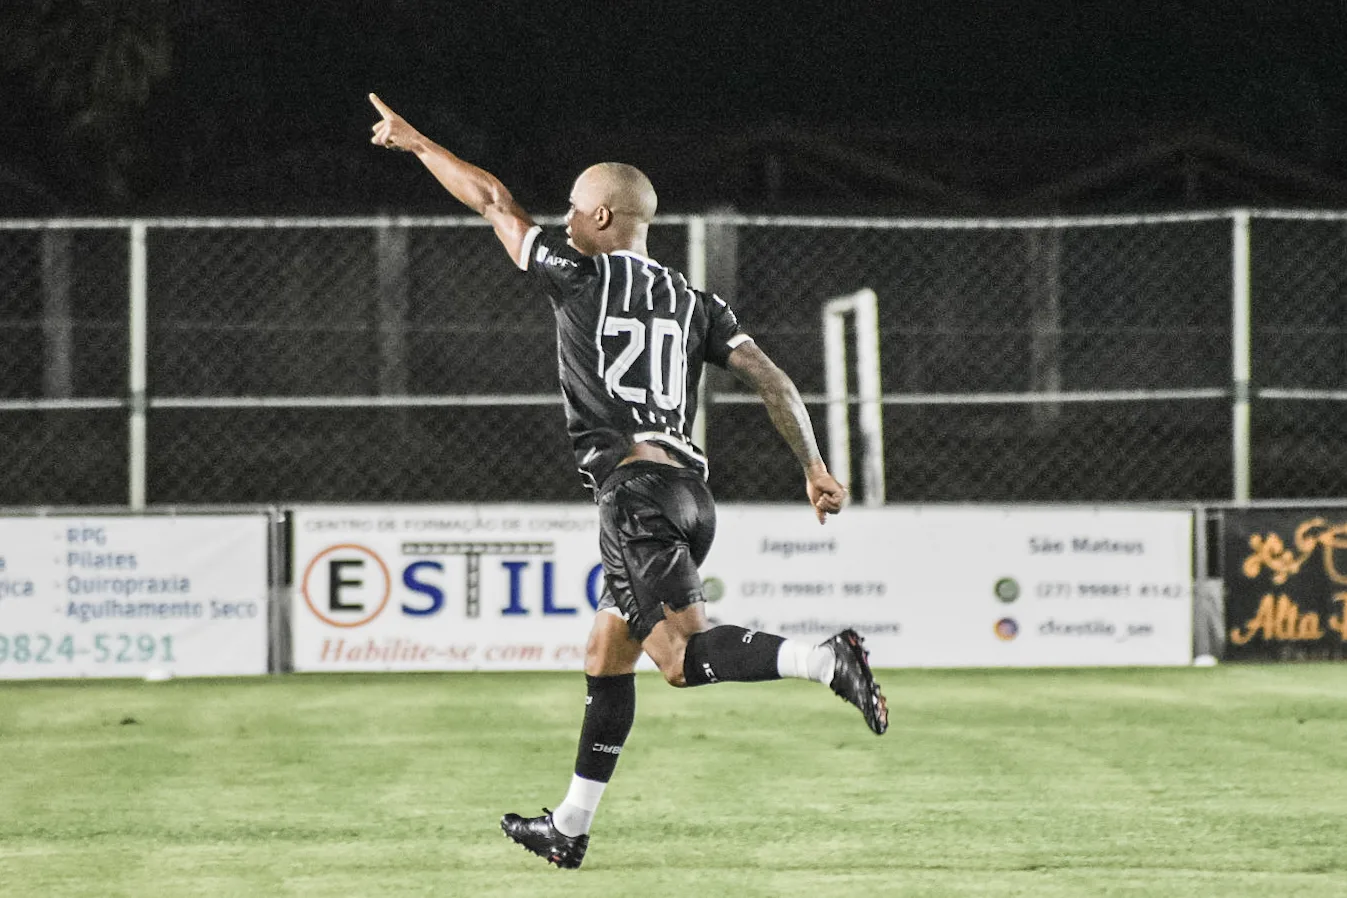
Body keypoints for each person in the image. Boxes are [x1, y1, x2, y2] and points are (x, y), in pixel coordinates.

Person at [368, 93, 888, 870]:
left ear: (604, 219)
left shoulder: (575, 271)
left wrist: (415, 143)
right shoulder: (695, 301)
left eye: (576, 209)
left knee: (680, 660)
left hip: (634, 494)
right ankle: (569, 827)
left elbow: (490, 200)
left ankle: (823, 659)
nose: (565, 219)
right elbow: (773, 379)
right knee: (606, 653)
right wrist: (812, 467)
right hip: (688, 494)